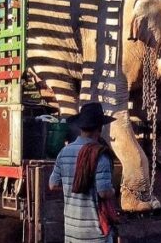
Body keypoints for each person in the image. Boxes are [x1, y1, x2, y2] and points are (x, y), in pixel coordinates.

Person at [49, 102, 117, 243]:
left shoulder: (64, 152)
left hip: (72, 233)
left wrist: (74, 186)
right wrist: (113, 190)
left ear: (81, 127)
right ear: (100, 128)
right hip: (95, 235)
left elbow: (53, 185)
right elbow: (103, 192)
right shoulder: (100, 155)